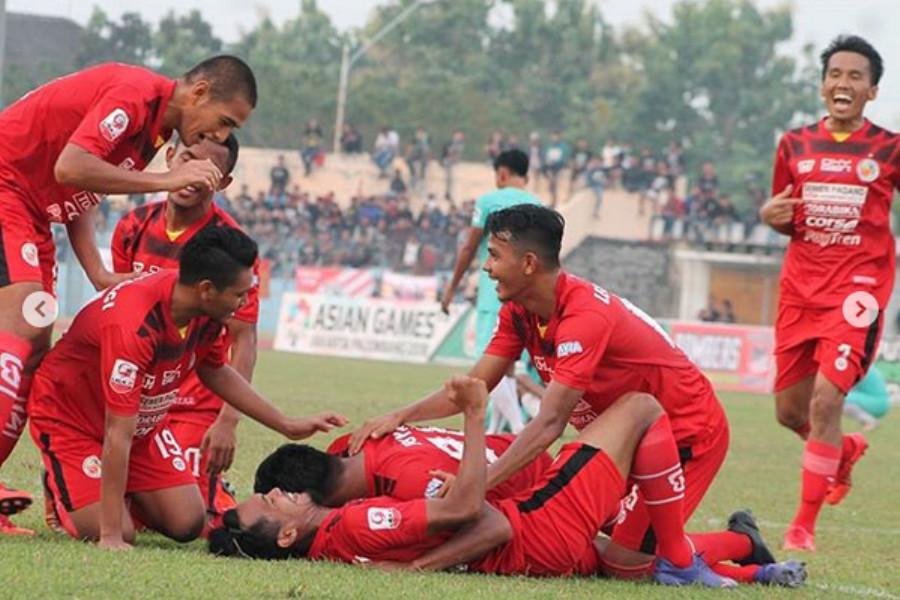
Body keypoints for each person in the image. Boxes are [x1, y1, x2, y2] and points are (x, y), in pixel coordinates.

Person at [355, 204, 733, 577]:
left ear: (530, 264)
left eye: (494, 256)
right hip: (625, 436)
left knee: (625, 564)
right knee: (605, 537)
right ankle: (730, 548)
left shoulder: (584, 318)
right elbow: (474, 386)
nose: (486, 267)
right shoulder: (519, 312)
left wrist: (478, 484)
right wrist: (400, 415)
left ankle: (740, 546)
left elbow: (550, 423)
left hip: (686, 430)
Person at [0, 55, 257, 534]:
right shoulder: (135, 95)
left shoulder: (154, 131)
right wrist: (164, 181)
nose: (220, 137)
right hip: (6, 185)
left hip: (33, 208)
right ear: (199, 92)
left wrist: (97, 271)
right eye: (224, 122)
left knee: (32, 341)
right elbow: (72, 166)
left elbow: (78, 189)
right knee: (23, 329)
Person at [212, 382, 804, 587]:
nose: (275, 495)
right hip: (535, 514)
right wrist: (471, 413)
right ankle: (693, 556)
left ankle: (746, 556)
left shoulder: (345, 510)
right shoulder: (360, 499)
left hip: (528, 495)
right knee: (641, 408)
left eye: (271, 490)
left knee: (626, 561)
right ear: (287, 534)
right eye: (269, 503)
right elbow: (485, 517)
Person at [27, 226, 346, 549]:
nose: (246, 300)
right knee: (120, 532)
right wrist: (109, 536)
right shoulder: (133, 324)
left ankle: (108, 492)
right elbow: (116, 434)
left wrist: (285, 424)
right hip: (71, 421)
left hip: (138, 426)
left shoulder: (204, 310)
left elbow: (214, 370)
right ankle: (62, 487)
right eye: (239, 293)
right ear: (207, 289)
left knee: (187, 522)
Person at [758, 35, 899, 552]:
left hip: (856, 294)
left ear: (873, 91)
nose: (843, 83)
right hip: (800, 293)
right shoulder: (793, 145)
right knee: (788, 413)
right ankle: (845, 452)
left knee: (825, 401)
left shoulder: (889, 148)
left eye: (855, 76)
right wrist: (765, 217)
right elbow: (782, 214)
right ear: (823, 86)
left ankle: (803, 527)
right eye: (835, 74)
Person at [102, 135, 257, 533]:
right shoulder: (133, 226)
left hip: (193, 404)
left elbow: (243, 338)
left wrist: (227, 421)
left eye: (210, 168)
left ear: (223, 182)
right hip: (136, 394)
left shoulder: (230, 247)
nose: (193, 174)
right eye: (188, 158)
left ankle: (207, 490)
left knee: (195, 525)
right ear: (170, 156)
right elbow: (115, 310)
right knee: (114, 508)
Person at [439, 150, 541, 434]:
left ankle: (518, 428)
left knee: (492, 367)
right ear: (526, 176)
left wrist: (451, 287)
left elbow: (469, 247)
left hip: (495, 294)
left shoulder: (488, 202)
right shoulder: (539, 205)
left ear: (502, 174)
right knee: (509, 367)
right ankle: (495, 432)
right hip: (528, 295)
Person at [253, 425, 553, 506]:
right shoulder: (350, 444)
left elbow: (476, 519)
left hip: (540, 480)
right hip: (508, 445)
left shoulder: (415, 483)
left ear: (304, 498)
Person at [843, 366, 890, 431]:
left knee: (841, 401)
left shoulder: (860, 369)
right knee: (843, 399)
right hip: (881, 402)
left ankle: (870, 421)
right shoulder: (867, 367)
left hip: (876, 403)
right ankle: (868, 420)